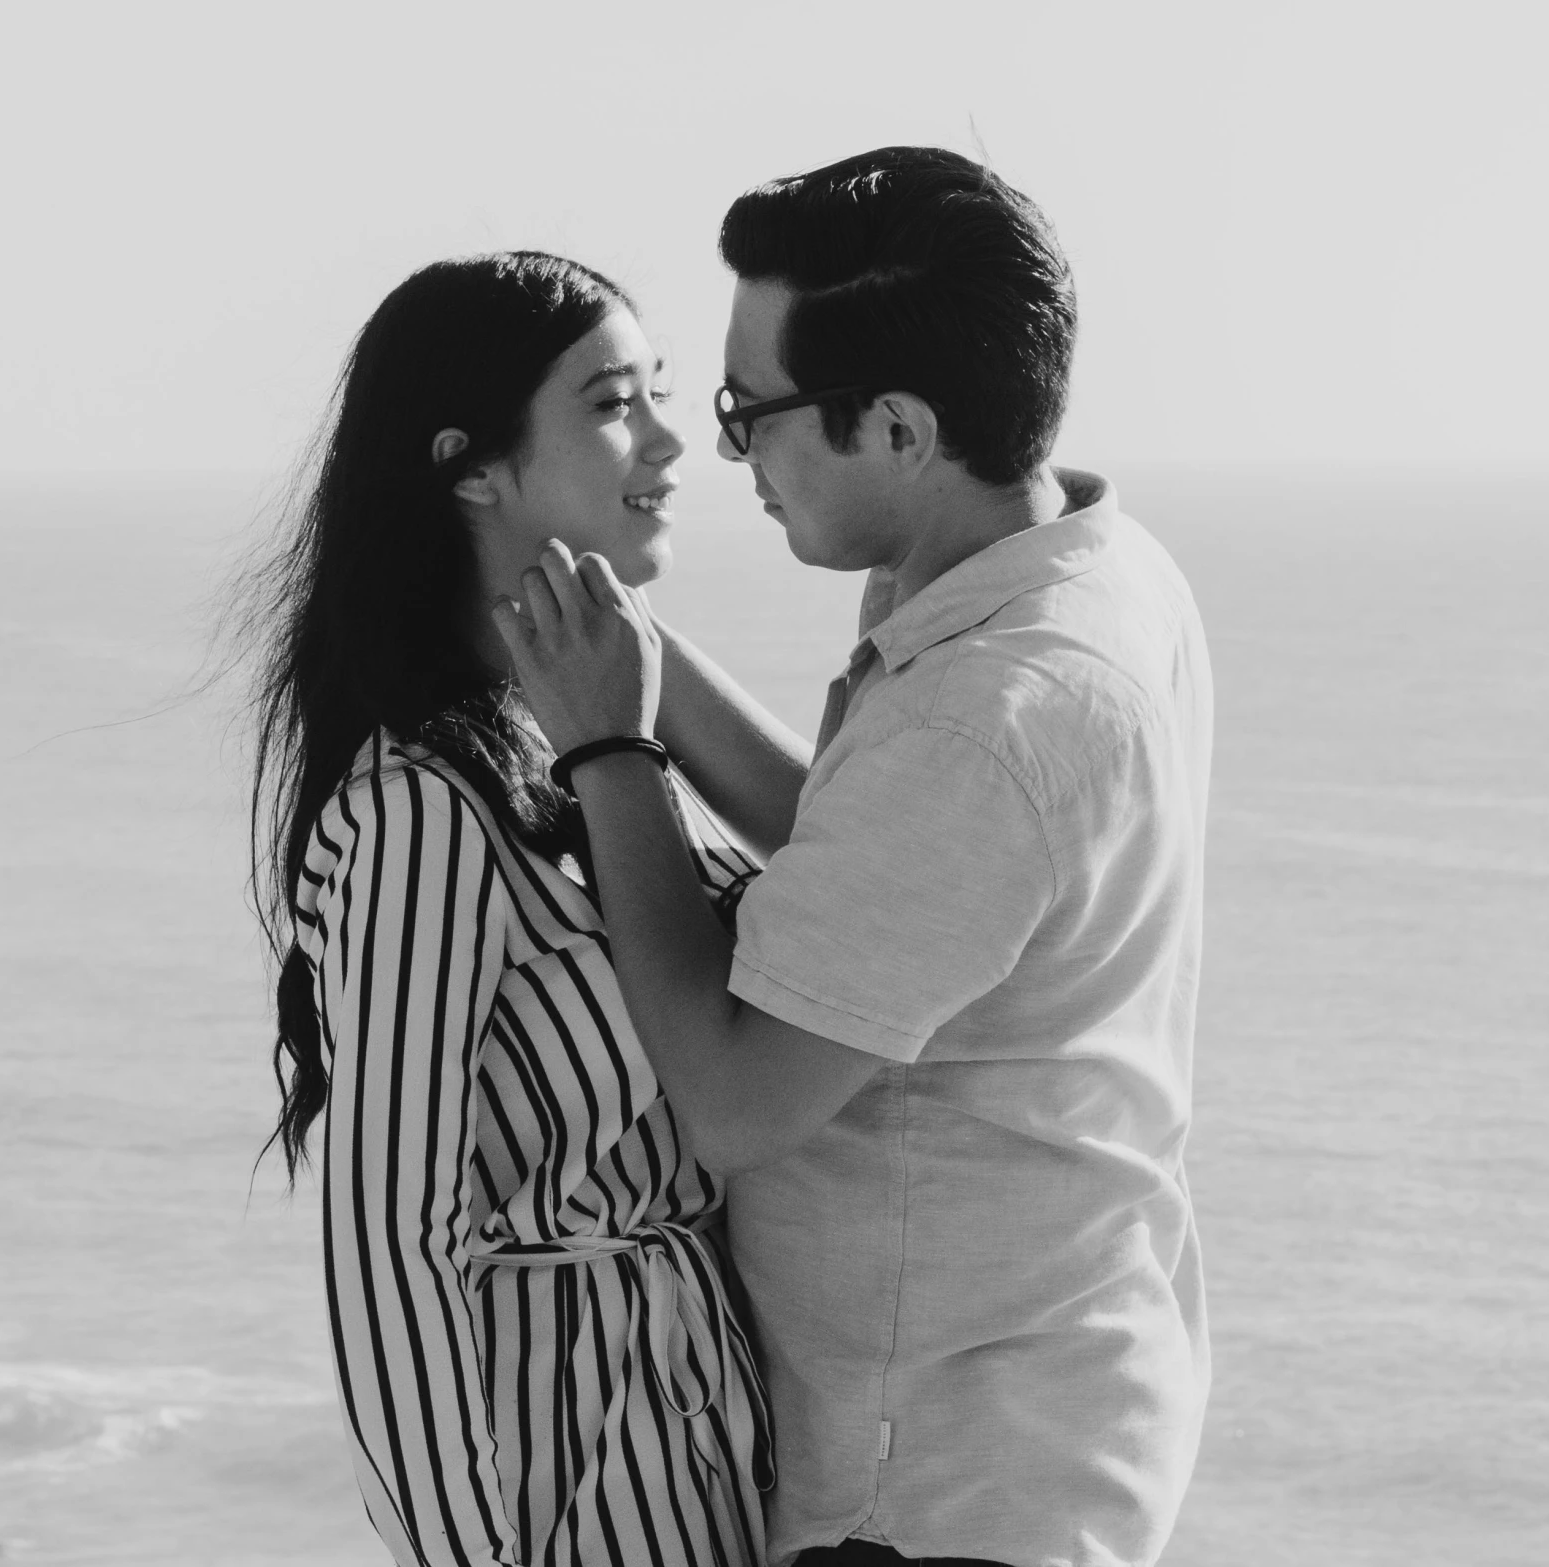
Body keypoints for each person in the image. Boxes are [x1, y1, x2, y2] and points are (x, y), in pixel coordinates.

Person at [495, 149, 1214, 1566]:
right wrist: (635, 662)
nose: (720, 453)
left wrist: (606, 753)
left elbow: (734, 1098)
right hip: (1049, 1404)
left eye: (745, 411)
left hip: (931, 1492)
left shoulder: (986, 721)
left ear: (893, 424)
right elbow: (870, 854)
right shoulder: (1073, 564)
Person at [248, 251, 772, 1567]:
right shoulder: (423, 807)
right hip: (571, 1494)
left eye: (658, 393)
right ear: (471, 467)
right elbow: (385, 1251)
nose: (666, 438)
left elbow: (851, 872)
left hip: (721, 1453)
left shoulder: (590, 744)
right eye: (611, 403)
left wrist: (622, 646)